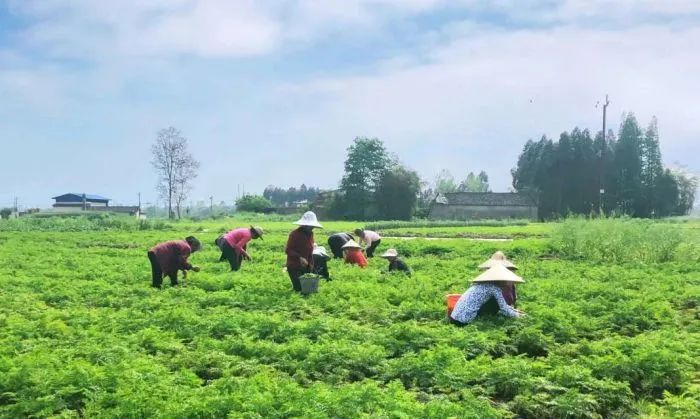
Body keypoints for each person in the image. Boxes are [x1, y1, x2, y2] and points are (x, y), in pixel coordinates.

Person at [450, 265, 526, 325]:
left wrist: (515, 311)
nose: (509, 283)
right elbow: (504, 308)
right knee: (495, 302)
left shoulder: (481, 284)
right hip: (463, 321)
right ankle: (486, 320)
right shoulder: (494, 288)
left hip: (454, 317)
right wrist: (520, 316)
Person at [286, 211, 322, 292]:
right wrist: (300, 257)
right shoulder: (294, 234)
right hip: (294, 266)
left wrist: (311, 265)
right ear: (304, 225)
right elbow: (288, 250)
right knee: (299, 289)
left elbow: (310, 250)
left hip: (305, 266)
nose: (312, 228)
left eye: (313, 226)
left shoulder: (310, 234)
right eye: (310, 226)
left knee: (308, 290)